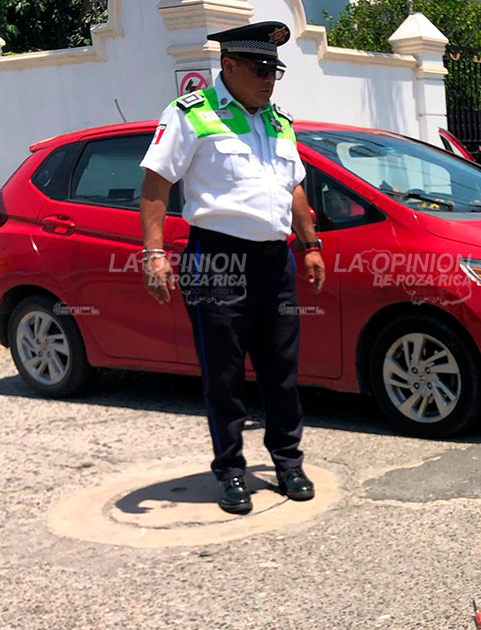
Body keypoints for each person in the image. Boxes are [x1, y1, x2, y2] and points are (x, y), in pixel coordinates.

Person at [138, 21, 326, 515]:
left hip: (275, 262)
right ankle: (231, 471)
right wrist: (154, 254)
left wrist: (310, 245)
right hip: (218, 259)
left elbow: (293, 187)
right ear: (229, 65)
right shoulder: (191, 113)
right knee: (223, 375)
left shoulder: (279, 121)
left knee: (282, 371)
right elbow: (156, 183)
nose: (269, 81)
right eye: (260, 70)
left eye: (275, 72)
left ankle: (288, 462)